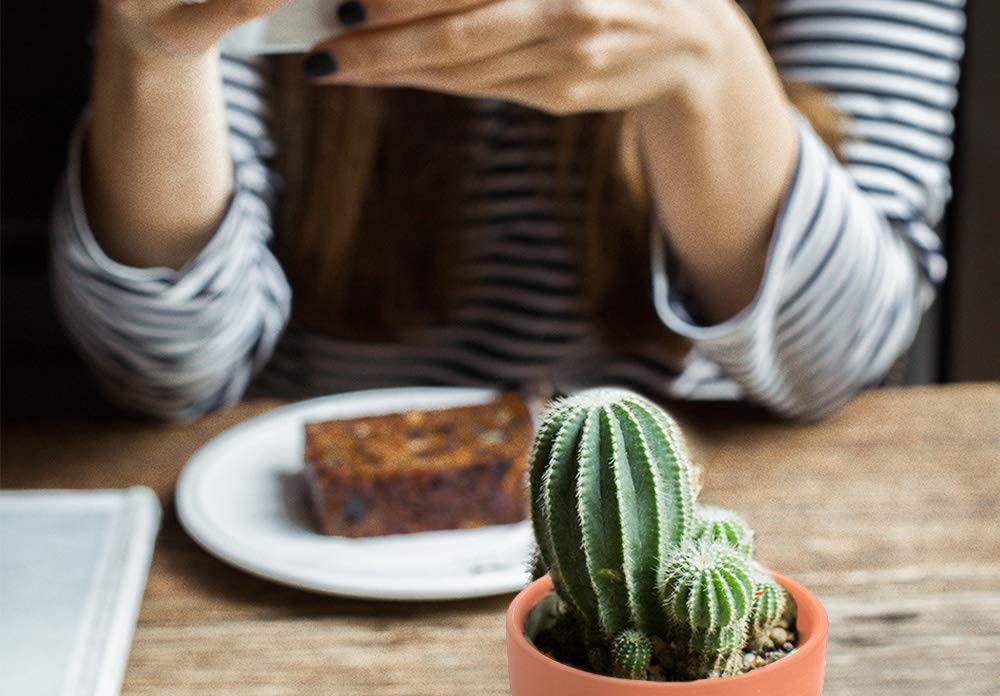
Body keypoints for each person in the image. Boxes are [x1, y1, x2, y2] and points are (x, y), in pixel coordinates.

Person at [51, 0, 965, 421]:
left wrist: (704, 61)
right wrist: (153, 53)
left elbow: (835, 359)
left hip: (710, 511)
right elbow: (164, 372)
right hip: (289, 513)